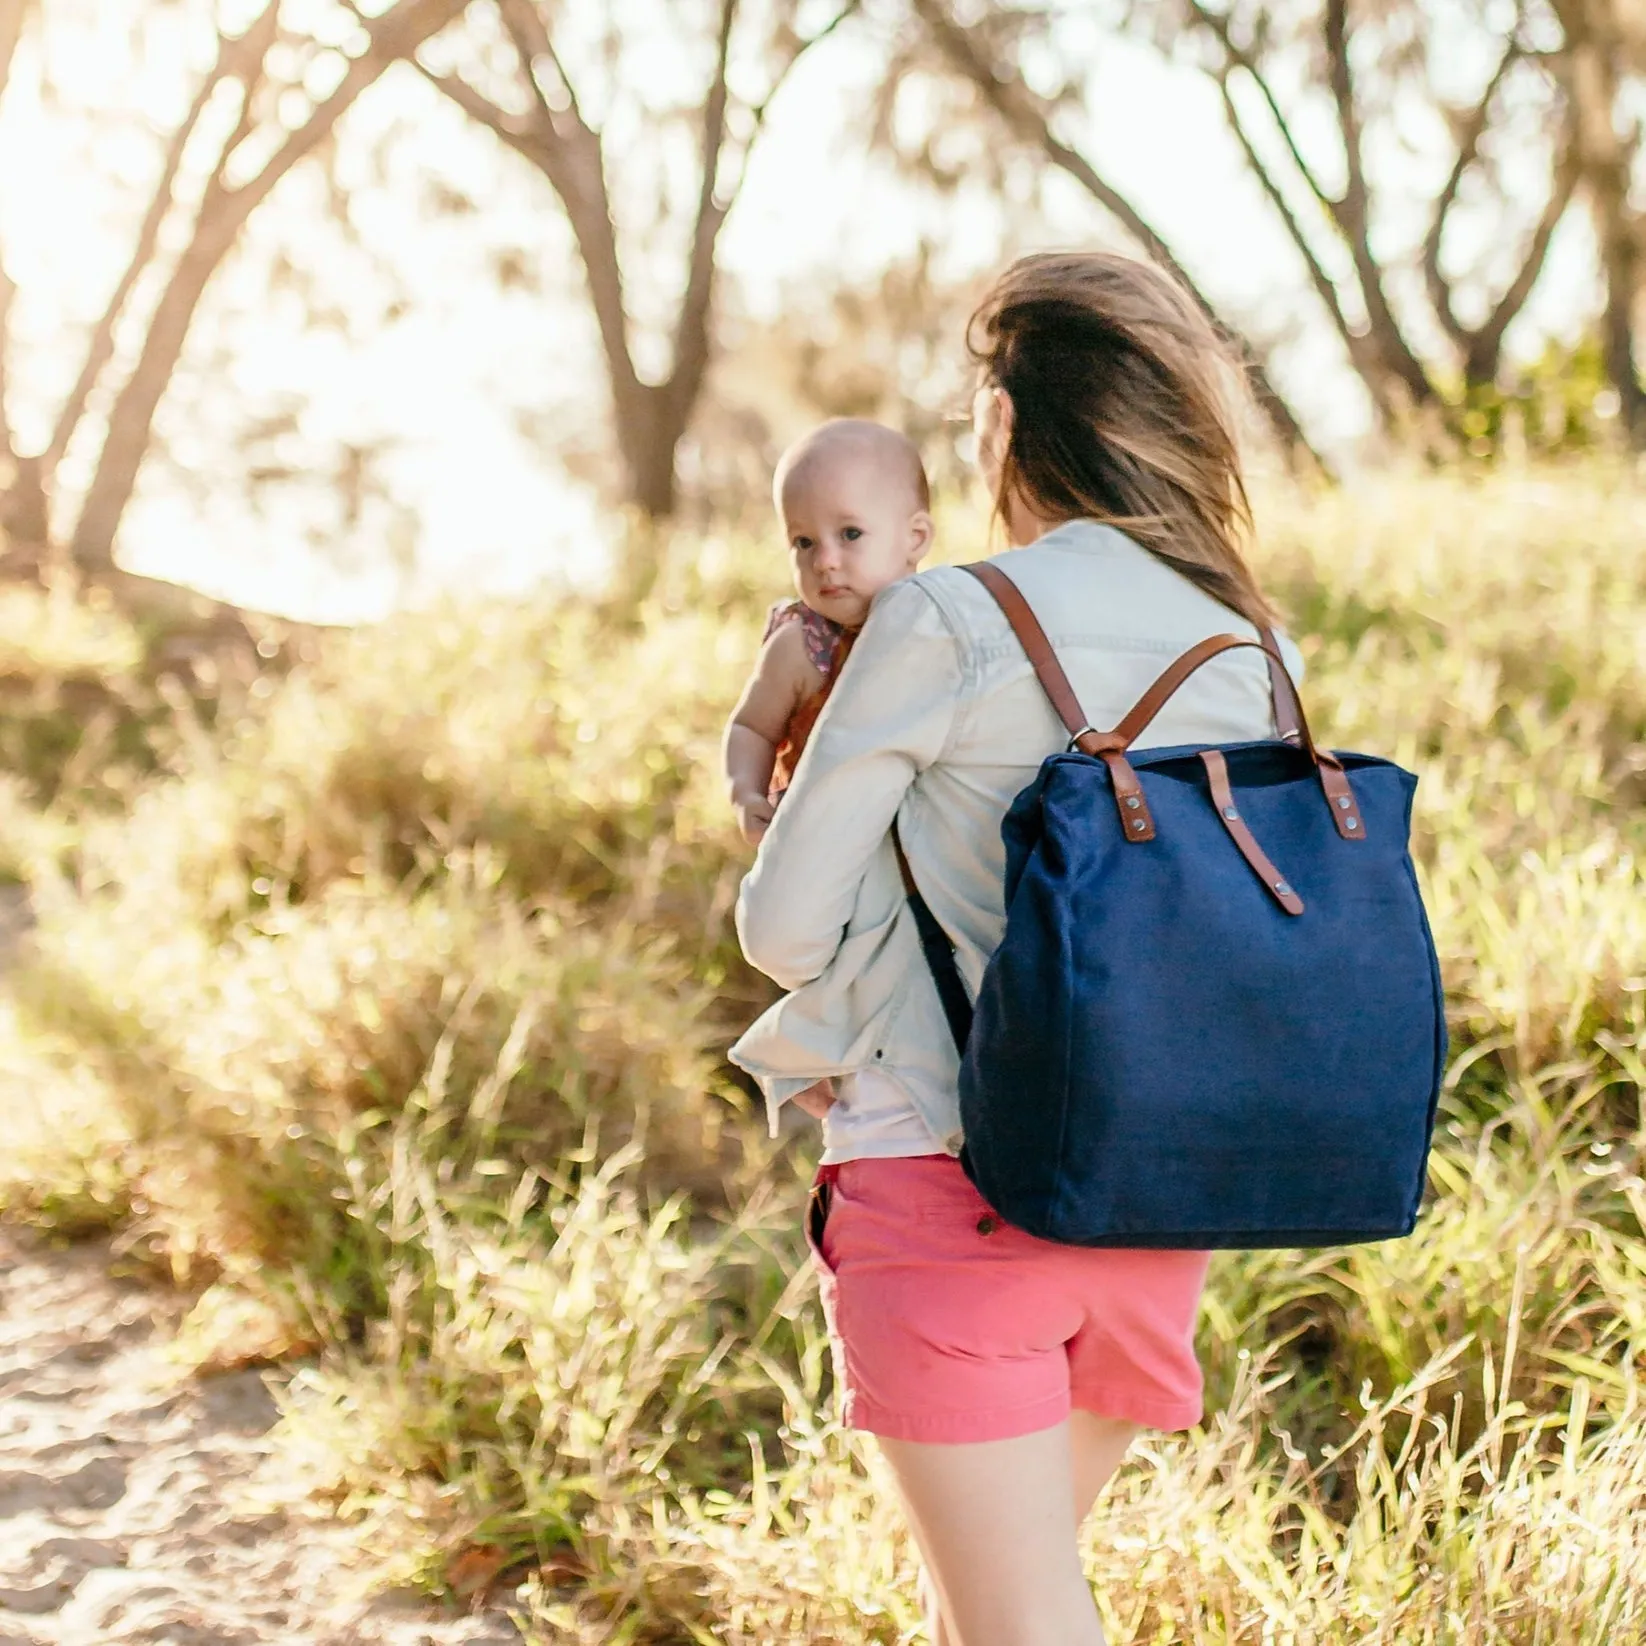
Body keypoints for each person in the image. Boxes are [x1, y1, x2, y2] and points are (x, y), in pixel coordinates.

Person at [734, 250, 1305, 1646]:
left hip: (951, 1186)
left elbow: (783, 926)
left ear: (999, 430)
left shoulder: (943, 615)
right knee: (983, 1612)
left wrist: (763, 778)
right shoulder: (1247, 643)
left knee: (1017, 1627)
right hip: (1157, 1202)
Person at [723, 417, 933, 1124]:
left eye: (850, 535)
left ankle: (858, 1059)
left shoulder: (940, 625)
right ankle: (816, 1058)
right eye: (803, 543)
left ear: (915, 540)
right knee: (823, 953)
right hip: (821, 832)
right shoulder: (802, 645)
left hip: (911, 835)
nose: (826, 563)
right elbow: (751, 724)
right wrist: (746, 789)